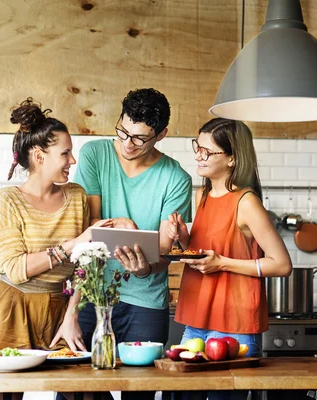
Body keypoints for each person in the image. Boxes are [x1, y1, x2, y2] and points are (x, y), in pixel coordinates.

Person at [0, 98, 112, 400]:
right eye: (65, 153)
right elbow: (15, 268)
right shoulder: (7, 200)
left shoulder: (76, 196)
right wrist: (72, 244)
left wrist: (72, 314)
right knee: (3, 394)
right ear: (39, 156)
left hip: (59, 306)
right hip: (13, 306)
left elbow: (85, 263)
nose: (72, 161)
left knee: (85, 390)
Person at [64, 88, 192, 400]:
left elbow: (164, 253)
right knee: (75, 389)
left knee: (140, 391)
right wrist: (70, 313)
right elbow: (91, 229)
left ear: (160, 135)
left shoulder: (176, 178)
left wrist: (146, 267)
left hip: (145, 302)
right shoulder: (95, 155)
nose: (127, 144)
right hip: (93, 293)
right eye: (123, 131)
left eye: (139, 138)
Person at [166, 118, 292, 400]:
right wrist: (183, 236)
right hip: (197, 319)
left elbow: (281, 264)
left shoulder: (247, 202)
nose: (198, 155)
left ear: (233, 158)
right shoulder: (202, 195)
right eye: (197, 147)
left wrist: (223, 263)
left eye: (207, 151)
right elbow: (205, 253)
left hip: (235, 325)